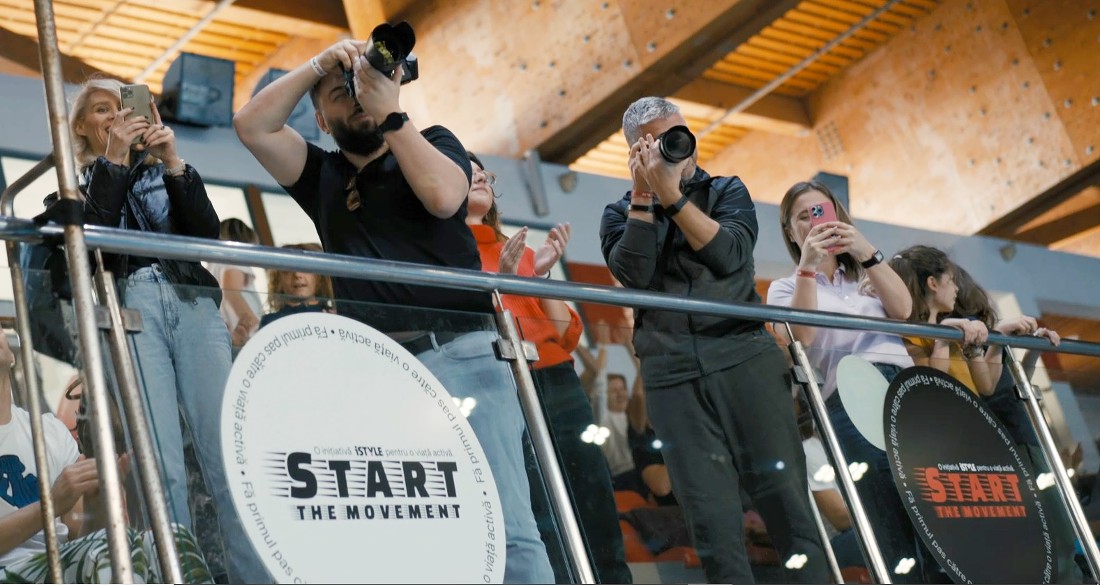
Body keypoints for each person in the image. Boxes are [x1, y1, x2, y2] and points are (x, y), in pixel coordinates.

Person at [234, 40, 553, 582]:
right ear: (321, 118)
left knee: (509, 525)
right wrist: (320, 64)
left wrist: (390, 112)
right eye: (342, 95)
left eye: (363, 90)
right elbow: (252, 126)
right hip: (380, 372)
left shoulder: (433, 141)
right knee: (423, 529)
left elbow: (443, 197)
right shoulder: (322, 175)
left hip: (466, 353)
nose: (357, 101)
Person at [599, 96, 826, 583]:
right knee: (711, 520)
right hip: (671, 375)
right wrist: (646, 194)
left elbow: (728, 255)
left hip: (745, 358)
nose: (680, 147)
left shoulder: (726, 190)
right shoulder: (619, 213)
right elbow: (634, 274)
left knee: (786, 500)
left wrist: (675, 199)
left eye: (681, 133)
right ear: (637, 148)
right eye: (662, 140)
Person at [63, 77, 263, 582]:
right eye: (101, 111)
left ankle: (252, 574)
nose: (114, 116)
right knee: (162, 465)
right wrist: (113, 161)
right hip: (131, 305)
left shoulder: (161, 173)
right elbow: (96, 248)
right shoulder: (78, 183)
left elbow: (205, 236)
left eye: (121, 107)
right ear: (83, 128)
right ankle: (179, 575)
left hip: (193, 303)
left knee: (228, 458)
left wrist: (173, 159)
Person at [464, 153, 631, 583]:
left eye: (483, 170)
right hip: (502, 382)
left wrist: (538, 278)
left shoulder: (515, 247)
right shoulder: (448, 254)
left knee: (593, 495)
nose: (479, 174)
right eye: (466, 169)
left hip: (557, 380)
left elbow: (564, 334)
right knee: (539, 507)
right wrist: (501, 284)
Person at [765, 180, 935, 582]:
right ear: (791, 231)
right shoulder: (785, 286)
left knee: (930, 500)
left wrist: (867, 252)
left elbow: (904, 309)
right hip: (847, 398)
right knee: (885, 509)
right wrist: (808, 266)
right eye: (803, 217)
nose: (814, 222)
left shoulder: (865, 277)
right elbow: (800, 340)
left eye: (821, 212)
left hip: (903, 390)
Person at [0, 333, 212, 584]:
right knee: (110, 548)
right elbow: (88, 546)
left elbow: (84, 538)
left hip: (61, 563)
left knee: (172, 538)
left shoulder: (48, 431)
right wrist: (52, 505)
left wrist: (97, 499)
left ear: (12, 355)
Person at [948, 265, 1081, 584]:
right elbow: (985, 386)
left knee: (1057, 536)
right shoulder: (966, 335)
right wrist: (997, 337)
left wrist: (1032, 349)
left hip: (1019, 436)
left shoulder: (981, 333)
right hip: (1000, 444)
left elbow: (1008, 381)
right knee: (1038, 537)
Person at [888, 246, 1000, 395]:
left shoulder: (956, 330)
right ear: (933, 283)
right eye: (951, 280)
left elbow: (987, 387)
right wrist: (943, 338)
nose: (956, 289)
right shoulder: (909, 337)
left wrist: (1000, 336)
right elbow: (934, 383)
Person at [206, 219, 263, 349]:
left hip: (227, 335)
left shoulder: (213, 264)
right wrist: (258, 328)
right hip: (246, 335)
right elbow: (232, 293)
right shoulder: (235, 257)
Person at [260, 243, 335, 327]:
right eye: (288, 270)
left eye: (305, 268)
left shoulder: (336, 317)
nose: (297, 274)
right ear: (278, 281)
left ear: (319, 277)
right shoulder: (270, 322)